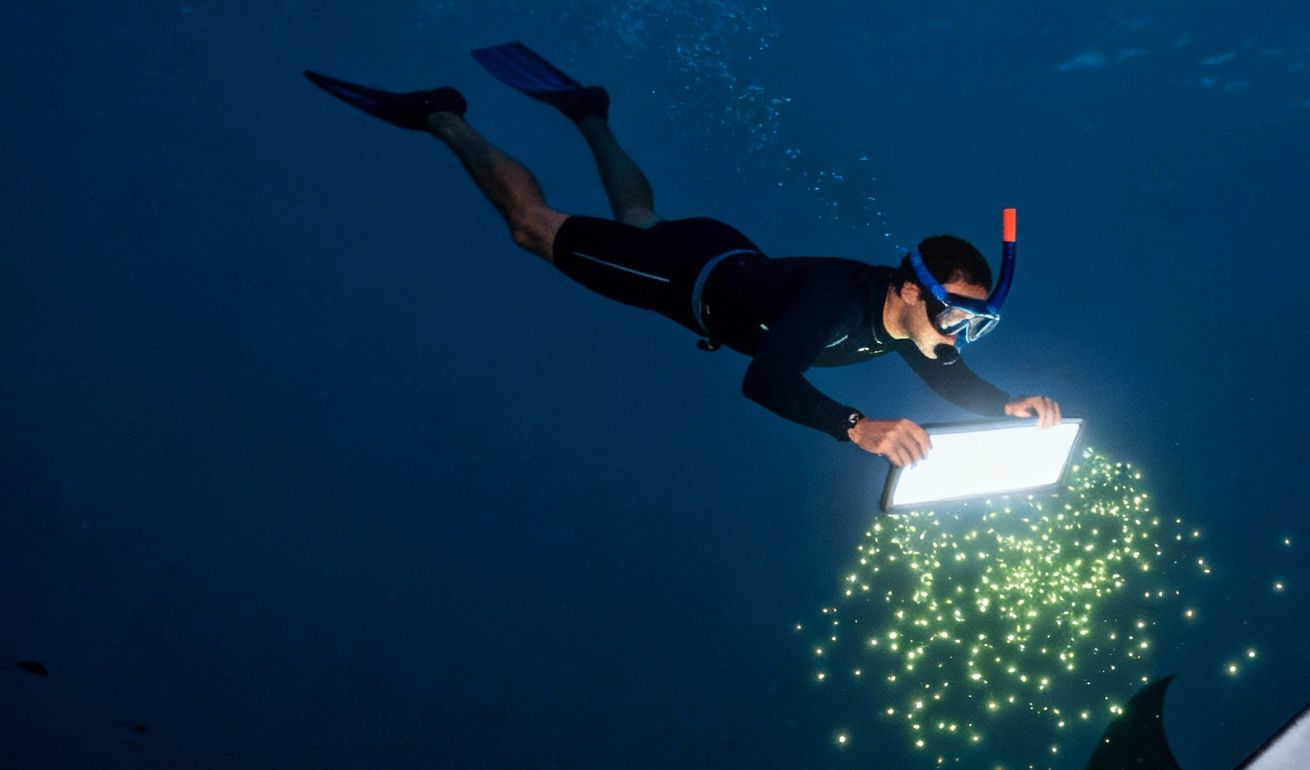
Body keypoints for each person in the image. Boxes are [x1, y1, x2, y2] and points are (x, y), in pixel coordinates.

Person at [304, 43, 1060, 468]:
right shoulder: (838, 304)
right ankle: (445, 115)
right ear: (909, 288)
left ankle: (589, 113)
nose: (956, 334)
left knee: (641, 217)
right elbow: (765, 379)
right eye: (953, 314)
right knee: (533, 228)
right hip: (681, 279)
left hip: (724, 250)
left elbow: (951, 377)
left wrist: (1006, 404)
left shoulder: (912, 326)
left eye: (972, 322)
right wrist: (856, 425)